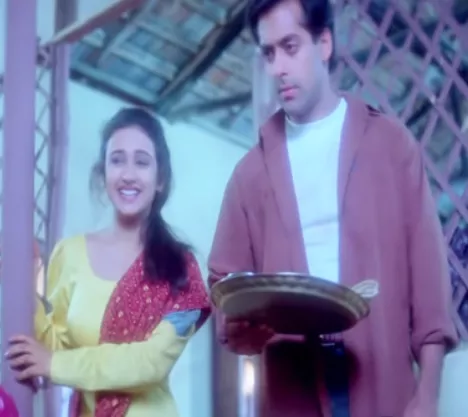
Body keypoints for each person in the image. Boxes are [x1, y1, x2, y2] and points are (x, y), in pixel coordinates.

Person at [208, 1, 458, 417]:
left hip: (382, 382)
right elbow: (224, 285)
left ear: (324, 43)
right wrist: (237, 327)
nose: (278, 68)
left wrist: (428, 394)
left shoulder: (391, 146)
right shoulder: (250, 174)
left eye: (290, 47)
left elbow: (429, 283)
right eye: (269, 53)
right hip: (291, 389)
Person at [4, 108, 211, 417]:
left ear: (160, 179)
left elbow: (151, 363)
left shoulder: (180, 267)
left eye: (142, 162)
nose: (128, 174)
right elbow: (53, 348)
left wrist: (54, 364)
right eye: (117, 160)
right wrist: (22, 281)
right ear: (103, 174)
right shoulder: (69, 253)